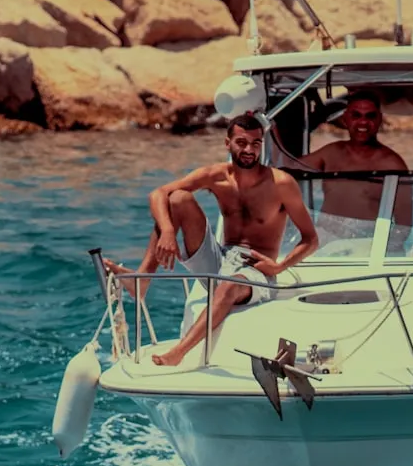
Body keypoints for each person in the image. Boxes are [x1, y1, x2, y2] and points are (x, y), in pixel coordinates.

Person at [103, 113, 319, 367]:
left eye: (256, 143)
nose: (249, 150)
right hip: (220, 258)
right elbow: (158, 193)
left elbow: (310, 239)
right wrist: (169, 231)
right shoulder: (216, 176)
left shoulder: (281, 183)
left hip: (255, 270)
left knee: (228, 286)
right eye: (241, 142)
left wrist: (279, 267)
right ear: (228, 143)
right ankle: (142, 281)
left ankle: (179, 352)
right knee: (177, 199)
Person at [291, 91, 413, 248]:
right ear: (345, 119)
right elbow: (287, 169)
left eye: (370, 116)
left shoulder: (392, 165)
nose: (363, 122)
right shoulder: (331, 153)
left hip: (365, 246)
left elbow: (403, 227)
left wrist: (379, 251)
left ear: (379, 120)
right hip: (324, 245)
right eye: (356, 115)